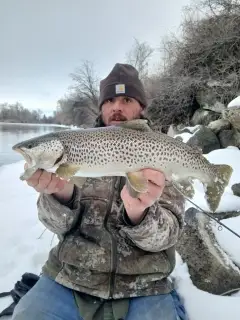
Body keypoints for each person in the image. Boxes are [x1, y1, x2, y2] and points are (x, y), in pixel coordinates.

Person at [12, 63, 188, 320]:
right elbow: (56, 226)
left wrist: (139, 214)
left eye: (126, 99)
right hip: (70, 278)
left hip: (146, 286)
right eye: (109, 100)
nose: (117, 107)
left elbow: (167, 237)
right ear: (101, 107)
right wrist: (60, 196)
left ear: (141, 107)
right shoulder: (76, 150)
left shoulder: (160, 152)